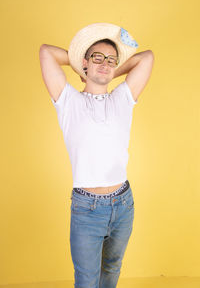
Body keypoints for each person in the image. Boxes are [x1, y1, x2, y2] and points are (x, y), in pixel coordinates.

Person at [39, 23, 154, 288]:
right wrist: (85, 66)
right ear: (84, 64)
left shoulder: (122, 98)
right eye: (97, 57)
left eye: (111, 60)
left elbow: (146, 58)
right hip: (87, 209)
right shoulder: (68, 102)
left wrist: (107, 69)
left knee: (112, 268)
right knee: (87, 279)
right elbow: (45, 52)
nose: (105, 63)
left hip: (123, 203)